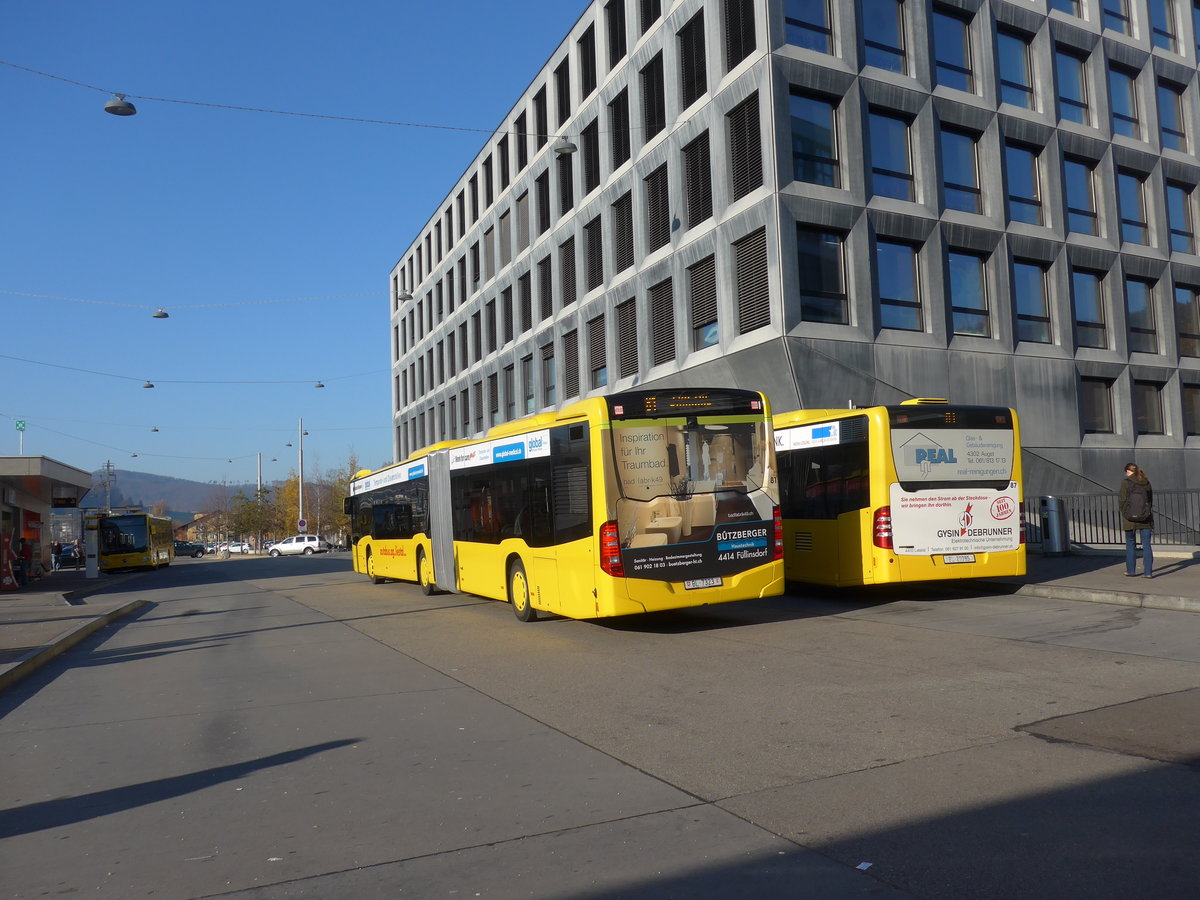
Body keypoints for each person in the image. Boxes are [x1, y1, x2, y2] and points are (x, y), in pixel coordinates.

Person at [1119, 463, 1154, 578]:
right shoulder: (1146, 483)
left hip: (1130, 520)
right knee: (1147, 545)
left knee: (1130, 544)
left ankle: (1131, 571)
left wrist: (1126, 513)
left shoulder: (1126, 482)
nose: (1126, 474)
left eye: (1126, 471)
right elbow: (1150, 501)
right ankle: (1148, 573)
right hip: (1146, 519)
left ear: (1129, 471)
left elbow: (1122, 501)